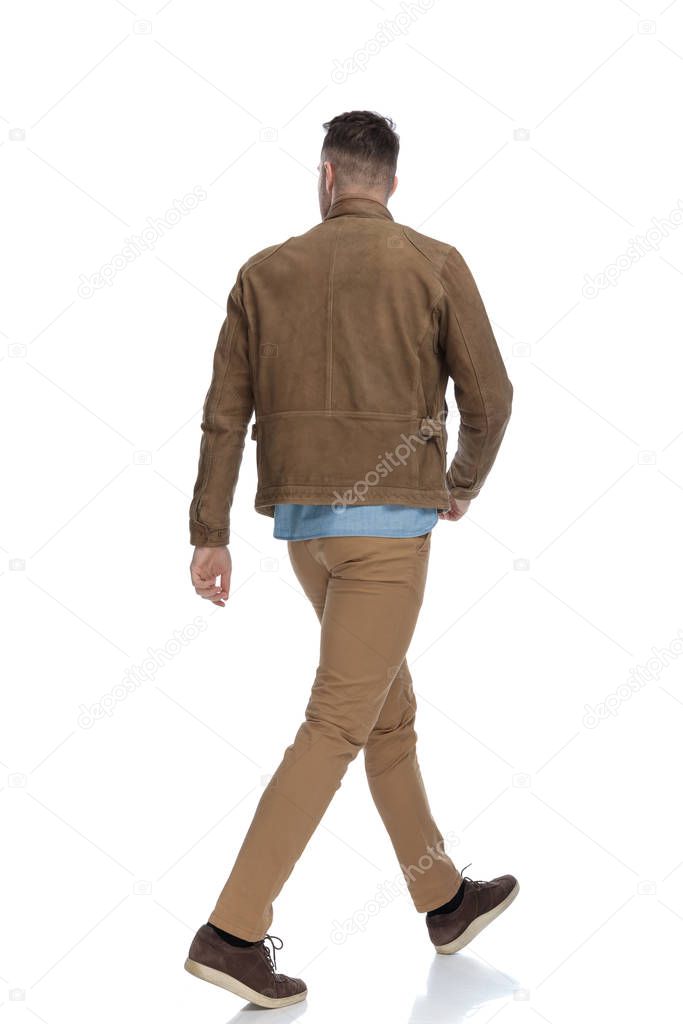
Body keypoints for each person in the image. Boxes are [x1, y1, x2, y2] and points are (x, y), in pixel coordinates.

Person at [184, 110, 517, 1009]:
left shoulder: (264, 272)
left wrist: (209, 532)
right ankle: (233, 931)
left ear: (326, 178)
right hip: (387, 535)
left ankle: (440, 898)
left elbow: (226, 413)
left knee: (387, 715)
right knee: (337, 723)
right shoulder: (433, 262)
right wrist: (461, 484)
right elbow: (491, 399)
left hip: (308, 537)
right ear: (390, 185)